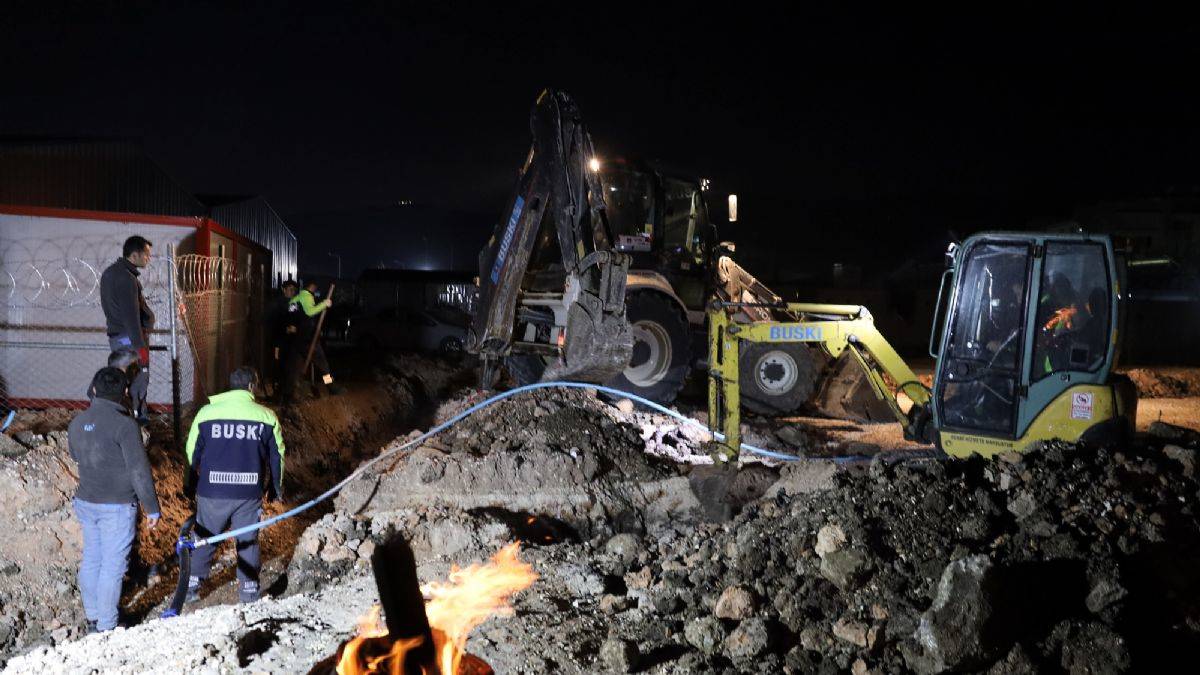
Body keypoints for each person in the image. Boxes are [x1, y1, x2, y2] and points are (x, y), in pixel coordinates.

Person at [69, 367, 161, 633]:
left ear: (94, 390)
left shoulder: (77, 422)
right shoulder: (125, 425)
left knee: (92, 560)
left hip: (86, 502)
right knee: (112, 566)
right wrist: (152, 507)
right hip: (117, 506)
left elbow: (75, 455)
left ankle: (93, 617)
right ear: (123, 393)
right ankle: (106, 628)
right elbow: (138, 470)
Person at [184, 367, 285, 604]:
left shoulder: (207, 413)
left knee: (206, 536)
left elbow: (192, 453)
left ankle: (191, 586)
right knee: (247, 538)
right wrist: (276, 488)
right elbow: (277, 456)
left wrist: (189, 485)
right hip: (248, 493)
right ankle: (249, 590)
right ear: (252, 386)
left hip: (212, 490)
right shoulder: (266, 416)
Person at [100, 236, 155, 424]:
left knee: (119, 378)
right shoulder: (126, 278)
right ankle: (138, 420)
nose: (149, 258)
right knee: (139, 378)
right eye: (146, 255)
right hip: (130, 339)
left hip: (119, 337)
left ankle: (118, 416)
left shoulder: (111, 273)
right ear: (134, 255)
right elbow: (131, 317)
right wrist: (141, 349)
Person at [285, 280, 344, 398]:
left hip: (297, 339)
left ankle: (292, 391)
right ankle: (331, 387)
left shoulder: (295, 300)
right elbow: (310, 312)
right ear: (312, 287)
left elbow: (292, 316)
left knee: (296, 367)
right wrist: (324, 304)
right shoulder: (307, 297)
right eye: (315, 288)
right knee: (323, 366)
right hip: (308, 339)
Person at [265, 280, 300, 400]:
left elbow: (296, 319)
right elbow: (271, 322)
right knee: (279, 365)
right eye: (290, 289)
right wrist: (285, 329)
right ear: (284, 289)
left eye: (294, 290)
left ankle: (288, 392)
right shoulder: (277, 304)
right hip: (279, 341)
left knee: (290, 366)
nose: (292, 292)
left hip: (291, 342)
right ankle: (279, 391)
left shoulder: (294, 304)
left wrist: (295, 328)